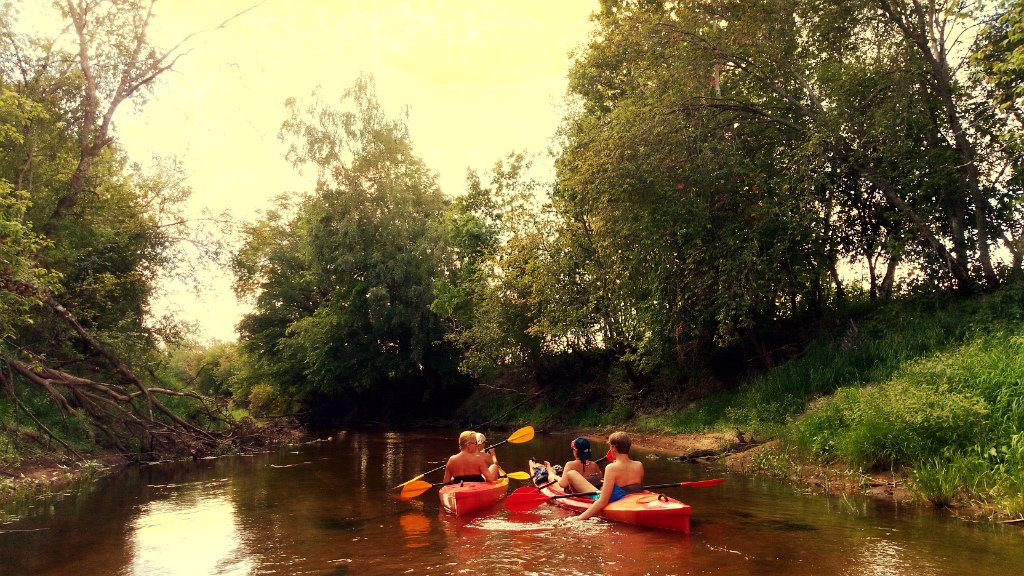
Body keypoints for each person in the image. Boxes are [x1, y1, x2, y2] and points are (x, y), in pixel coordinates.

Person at [564, 431, 643, 521]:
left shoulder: (611, 468)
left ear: (613, 448)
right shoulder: (639, 465)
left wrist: (580, 518)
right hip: (631, 499)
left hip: (613, 500)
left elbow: (602, 501)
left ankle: (575, 496)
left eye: (610, 446)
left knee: (572, 473)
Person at [534, 437, 602, 491]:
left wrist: (557, 478)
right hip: (590, 491)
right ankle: (551, 470)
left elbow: (563, 484)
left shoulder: (570, 465)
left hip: (576, 494)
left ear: (575, 451)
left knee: (551, 477)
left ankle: (549, 470)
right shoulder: (594, 465)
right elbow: (599, 477)